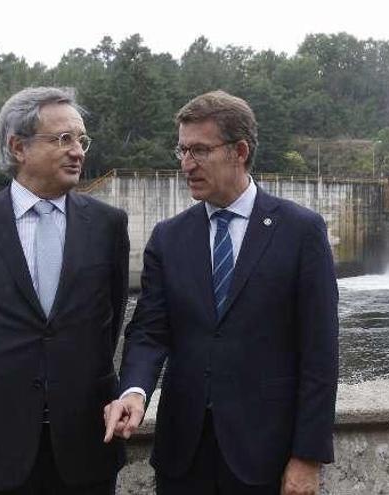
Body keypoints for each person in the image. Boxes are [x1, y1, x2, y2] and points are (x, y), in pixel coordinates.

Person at [104, 90, 339, 494]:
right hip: (184, 457)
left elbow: (320, 352)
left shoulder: (301, 231)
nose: (186, 164)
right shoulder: (169, 237)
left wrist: (308, 456)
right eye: (181, 150)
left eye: (199, 150)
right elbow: (148, 331)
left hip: (267, 456)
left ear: (240, 150)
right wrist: (135, 391)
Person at [0, 87, 129, 494]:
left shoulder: (108, 225)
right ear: (18, 147)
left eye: (81, 139)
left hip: (84, 443)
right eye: (63, 139)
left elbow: (108, 319)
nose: (77, 151)